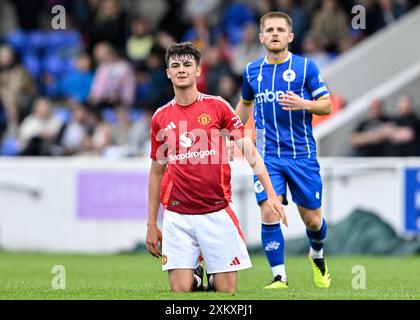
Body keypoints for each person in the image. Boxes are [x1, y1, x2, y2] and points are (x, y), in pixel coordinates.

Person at [146, 42, 287, 293]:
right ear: (168, 72)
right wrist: (151, 224)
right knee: (180, 289)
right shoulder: (160, 117)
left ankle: (211, 275)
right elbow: (157, 171)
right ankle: (196, 276)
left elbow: (251, 153)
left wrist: (272, 194)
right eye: (175, 65)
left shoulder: (217, 106)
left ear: (198, 71)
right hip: (177, 215)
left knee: (226, 291)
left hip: (216, 211)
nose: (181, 70)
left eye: (187, 65)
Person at [235, 11, 333, 289]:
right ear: (261, 36)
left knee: (312, 220)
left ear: (290, 36)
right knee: (268, 211)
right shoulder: (251, 70)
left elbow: (326, 105)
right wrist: (228, 127)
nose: (275, 34)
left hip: (302, 155)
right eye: (269, 30)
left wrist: (303, 103)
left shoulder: (305, 67)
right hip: (267, 156)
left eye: (280, 30)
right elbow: (245, 103)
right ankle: (280, 276)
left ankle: (317, 254)